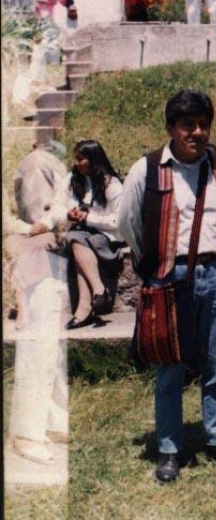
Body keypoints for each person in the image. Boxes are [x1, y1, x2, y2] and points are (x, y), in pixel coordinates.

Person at [118, 89, 216, 483]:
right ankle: (170, 448)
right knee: (170, 369)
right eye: (187, 125)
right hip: (169, 278)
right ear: (171, 128)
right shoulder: (147, 168)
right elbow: (128, 223)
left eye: (203, 124)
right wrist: (157, 265)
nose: (196, 132)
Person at [5, 140, 71, 466]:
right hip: (38, 258)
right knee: (38, 350)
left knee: (53, 349)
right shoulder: (36, 163)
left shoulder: (48, 160)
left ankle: (52, 422)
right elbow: (37, 220)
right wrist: (49, 222)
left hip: (50, 258)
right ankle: (27, 433)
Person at [63, 140, 124, 330]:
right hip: (84, 235)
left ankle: (84, 309)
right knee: (76, 237)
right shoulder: (75, 179)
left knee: (76, 238)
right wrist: (70, 214)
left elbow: (118, 222)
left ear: (93, 160)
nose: (76, 163)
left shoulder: (112, 184)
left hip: (109, 237)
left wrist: (89, 218)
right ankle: (96, 292)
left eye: (81, 159)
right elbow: (60, 203)